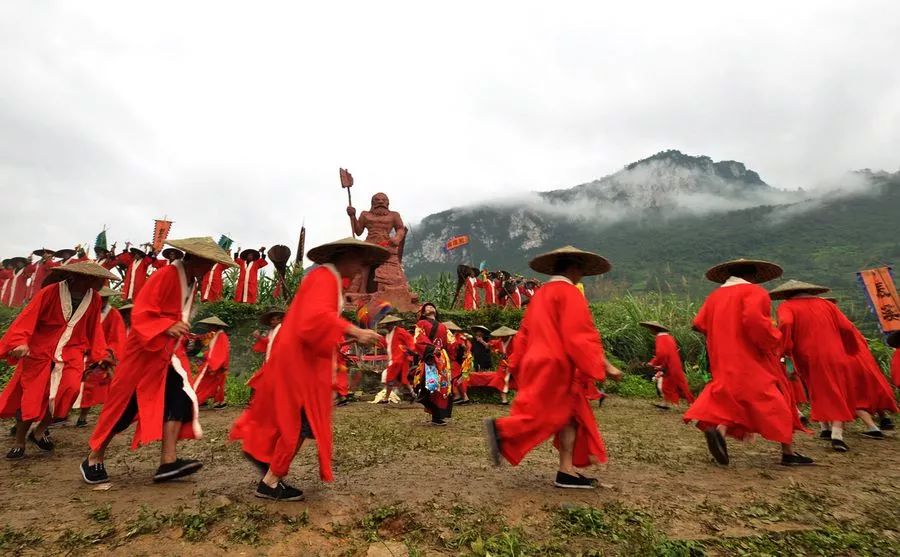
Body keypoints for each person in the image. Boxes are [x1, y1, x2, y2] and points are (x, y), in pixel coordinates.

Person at [230, 238, 385, 501]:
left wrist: (344, 336)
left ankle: (268, 464)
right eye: (359, 260)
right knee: (300, 423)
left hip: (303, 363)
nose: (361, 268)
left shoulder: (329, 280)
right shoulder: (324, 278)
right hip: (300, 367)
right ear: (343, 256)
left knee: (299, 422)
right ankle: (270, 479)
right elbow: (316, 318)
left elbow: (316, 324)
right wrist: (355, 330)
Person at [81, 237, 236, 484]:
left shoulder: (191, 281)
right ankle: (94, 457)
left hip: (166, 354)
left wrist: (176, 332)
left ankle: (168, 462)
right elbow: (143, 311)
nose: (209, 269)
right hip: (143, 352)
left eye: (212, 265)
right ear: (193, 258)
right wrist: (166, 325)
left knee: (180, 397)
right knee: (125, 406)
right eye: (207, 263)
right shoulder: (166, 275)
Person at [484, 246, 623, 488]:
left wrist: (516, 364)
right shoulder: (569, 294)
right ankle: (502, 431)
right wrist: (605, 367)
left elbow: (524, 334)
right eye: (581, 270)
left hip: (537, 361)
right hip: (556, 364)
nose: (581, 275)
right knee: (548, 414)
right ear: (574, 268)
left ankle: (566, 471)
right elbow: (579, 336)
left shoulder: (540, 295)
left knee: (570, 417)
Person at [684, 260, 812, 467]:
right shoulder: (755, 292)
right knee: (775, 398)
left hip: (722, 356)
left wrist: (722, 333)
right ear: (753, 276)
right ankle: (788, 452)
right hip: (751, 355)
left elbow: (698, 324)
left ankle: (719, 431)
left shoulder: (714, 296)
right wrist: (774, 339)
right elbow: (755, 321)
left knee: (730, 395)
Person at [1, 262, 114, 459]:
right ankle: (19, 441)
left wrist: (101, 354)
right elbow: (28, 318)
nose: (99, 283)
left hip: (71, 351)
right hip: (40, 350)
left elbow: (94, 329)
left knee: (69, 391)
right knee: (33, 396)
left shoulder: (94, 298)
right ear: (80, 278)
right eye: (97, 279)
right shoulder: (50, 292)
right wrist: (20, 342)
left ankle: (39, 431)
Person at [772, 280, 889, 451]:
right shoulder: (827, 305)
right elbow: (847, 327)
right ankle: (832, 430)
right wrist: (850, 349)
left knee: (818, 390)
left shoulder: (787, 306)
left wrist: (784, 350)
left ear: (786, 294)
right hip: (837, 354)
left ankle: (832, 432)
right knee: (839, 389)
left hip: (808, 356)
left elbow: (786, 324)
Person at [824, 297, 898, 431]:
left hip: (847, 362)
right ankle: (883, 418)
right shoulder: (848, 325)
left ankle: (872, 427)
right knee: (872, 389)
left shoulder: (828, 328)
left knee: (855, 396)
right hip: (865, 361)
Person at [75, 287, 127, 428]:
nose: (103, 300)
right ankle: (58, 415)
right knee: (72, 386)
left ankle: (83, 416)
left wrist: (105, 355)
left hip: (101, 357)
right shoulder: (86, 311)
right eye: (100, 298)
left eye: (105, 298)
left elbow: (117, 338)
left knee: (94, 387)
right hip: (82, 353)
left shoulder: (113, 314)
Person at [413, 303, 453, 425]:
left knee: (443, 387)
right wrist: (431, 349)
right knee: (432, 386)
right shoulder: (421, 324)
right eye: (427, 308)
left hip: (442, 359)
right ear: (424, 313)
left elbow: (451, 342)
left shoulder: (443, 327)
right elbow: (418, 339)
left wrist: (461, 347)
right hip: (430, 359)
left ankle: (438, 415)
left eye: (432, 307)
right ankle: (436, 415)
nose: (430, 308)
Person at [640, 321, 694, 408]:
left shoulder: (660, 338)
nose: (650, 331)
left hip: (670, 364)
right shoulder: (669, 337)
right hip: (673, 363)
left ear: (654, 329)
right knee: (668, 384)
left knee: (680, 385)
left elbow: (661, 353)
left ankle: (692, 404)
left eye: (650, 329)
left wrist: (652, 363)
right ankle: (666, 403)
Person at [372, 315, 415, 404]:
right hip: (398, 358)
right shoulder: (388, 335)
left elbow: (409, 339)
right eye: (386, 325)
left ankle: (386, 398)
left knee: (390, 378)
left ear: (393, 324)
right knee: (404, 379)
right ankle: (413, 394)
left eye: (388, 324)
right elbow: (384, 344)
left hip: (398, 358)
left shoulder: (400, 331)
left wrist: (411, 349)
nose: (387, 326)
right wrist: (376, 340)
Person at [191, 316, 231, 410]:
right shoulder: (216, 335)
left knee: (201, 381)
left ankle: (197, 400)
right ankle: (204, 400)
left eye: (210, 325)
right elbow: (214, 351)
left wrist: (213, 364)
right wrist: (201, 354)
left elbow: (221, 352)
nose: (208, 327)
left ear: (215, 326)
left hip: (215, 364)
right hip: (216, 363)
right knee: (212, 383)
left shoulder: (221, 336)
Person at [445, 321, 473, 405]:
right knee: (457, 379)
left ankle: (458, 396)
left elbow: (466, 348)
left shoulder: (458, 338)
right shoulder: (458, 338)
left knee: (454, 378)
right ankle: (464, 397)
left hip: (456, 361)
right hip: (455, 361)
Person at [489, 326, 518, 405]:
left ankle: (520, 398)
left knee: (518, 381)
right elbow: (492, 345)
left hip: (515, 364)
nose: (502, 337)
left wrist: (510, 360)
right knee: (500, 379)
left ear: (508, 335)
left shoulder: (515, 341)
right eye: (501, 336)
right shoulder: (499, 341)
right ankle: (504, 400)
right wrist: (497, 352)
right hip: (503, 364)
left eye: (504, 336)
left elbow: (518, 352)